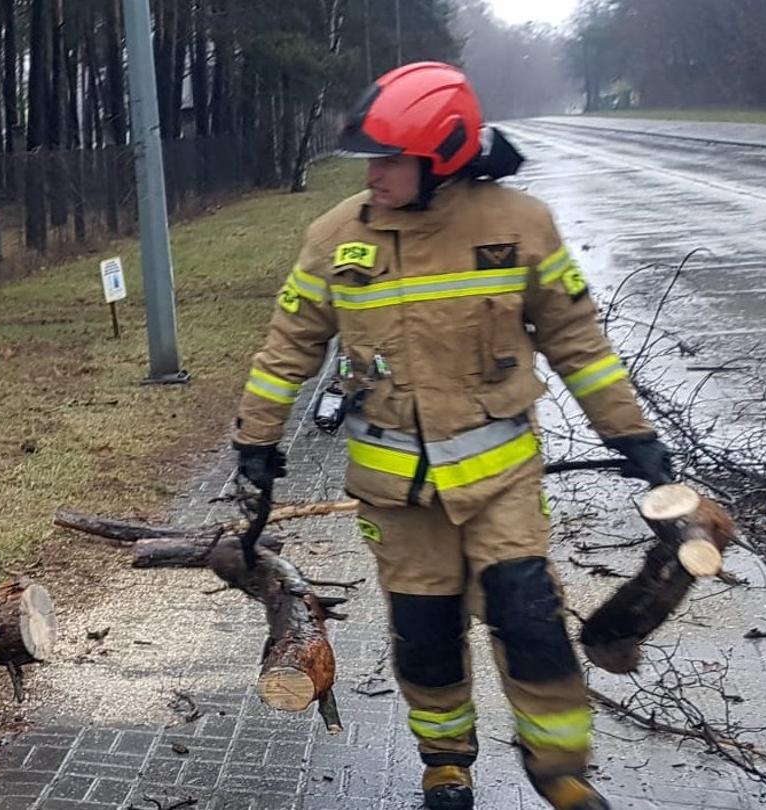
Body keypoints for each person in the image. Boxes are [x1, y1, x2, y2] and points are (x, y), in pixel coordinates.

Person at [232, 62, 672, 810]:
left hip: (502, 486)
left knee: (529, 619)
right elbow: (288, 347)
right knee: (426, 635)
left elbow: (579, 342)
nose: (374, 174)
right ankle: (445, 762)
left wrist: (633, 437)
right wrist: (256, 441)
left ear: (443, 158)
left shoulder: (518, 225)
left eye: (390, 159)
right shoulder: (337, 238)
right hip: (397, 498)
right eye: (370, 159)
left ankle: (561, 770)